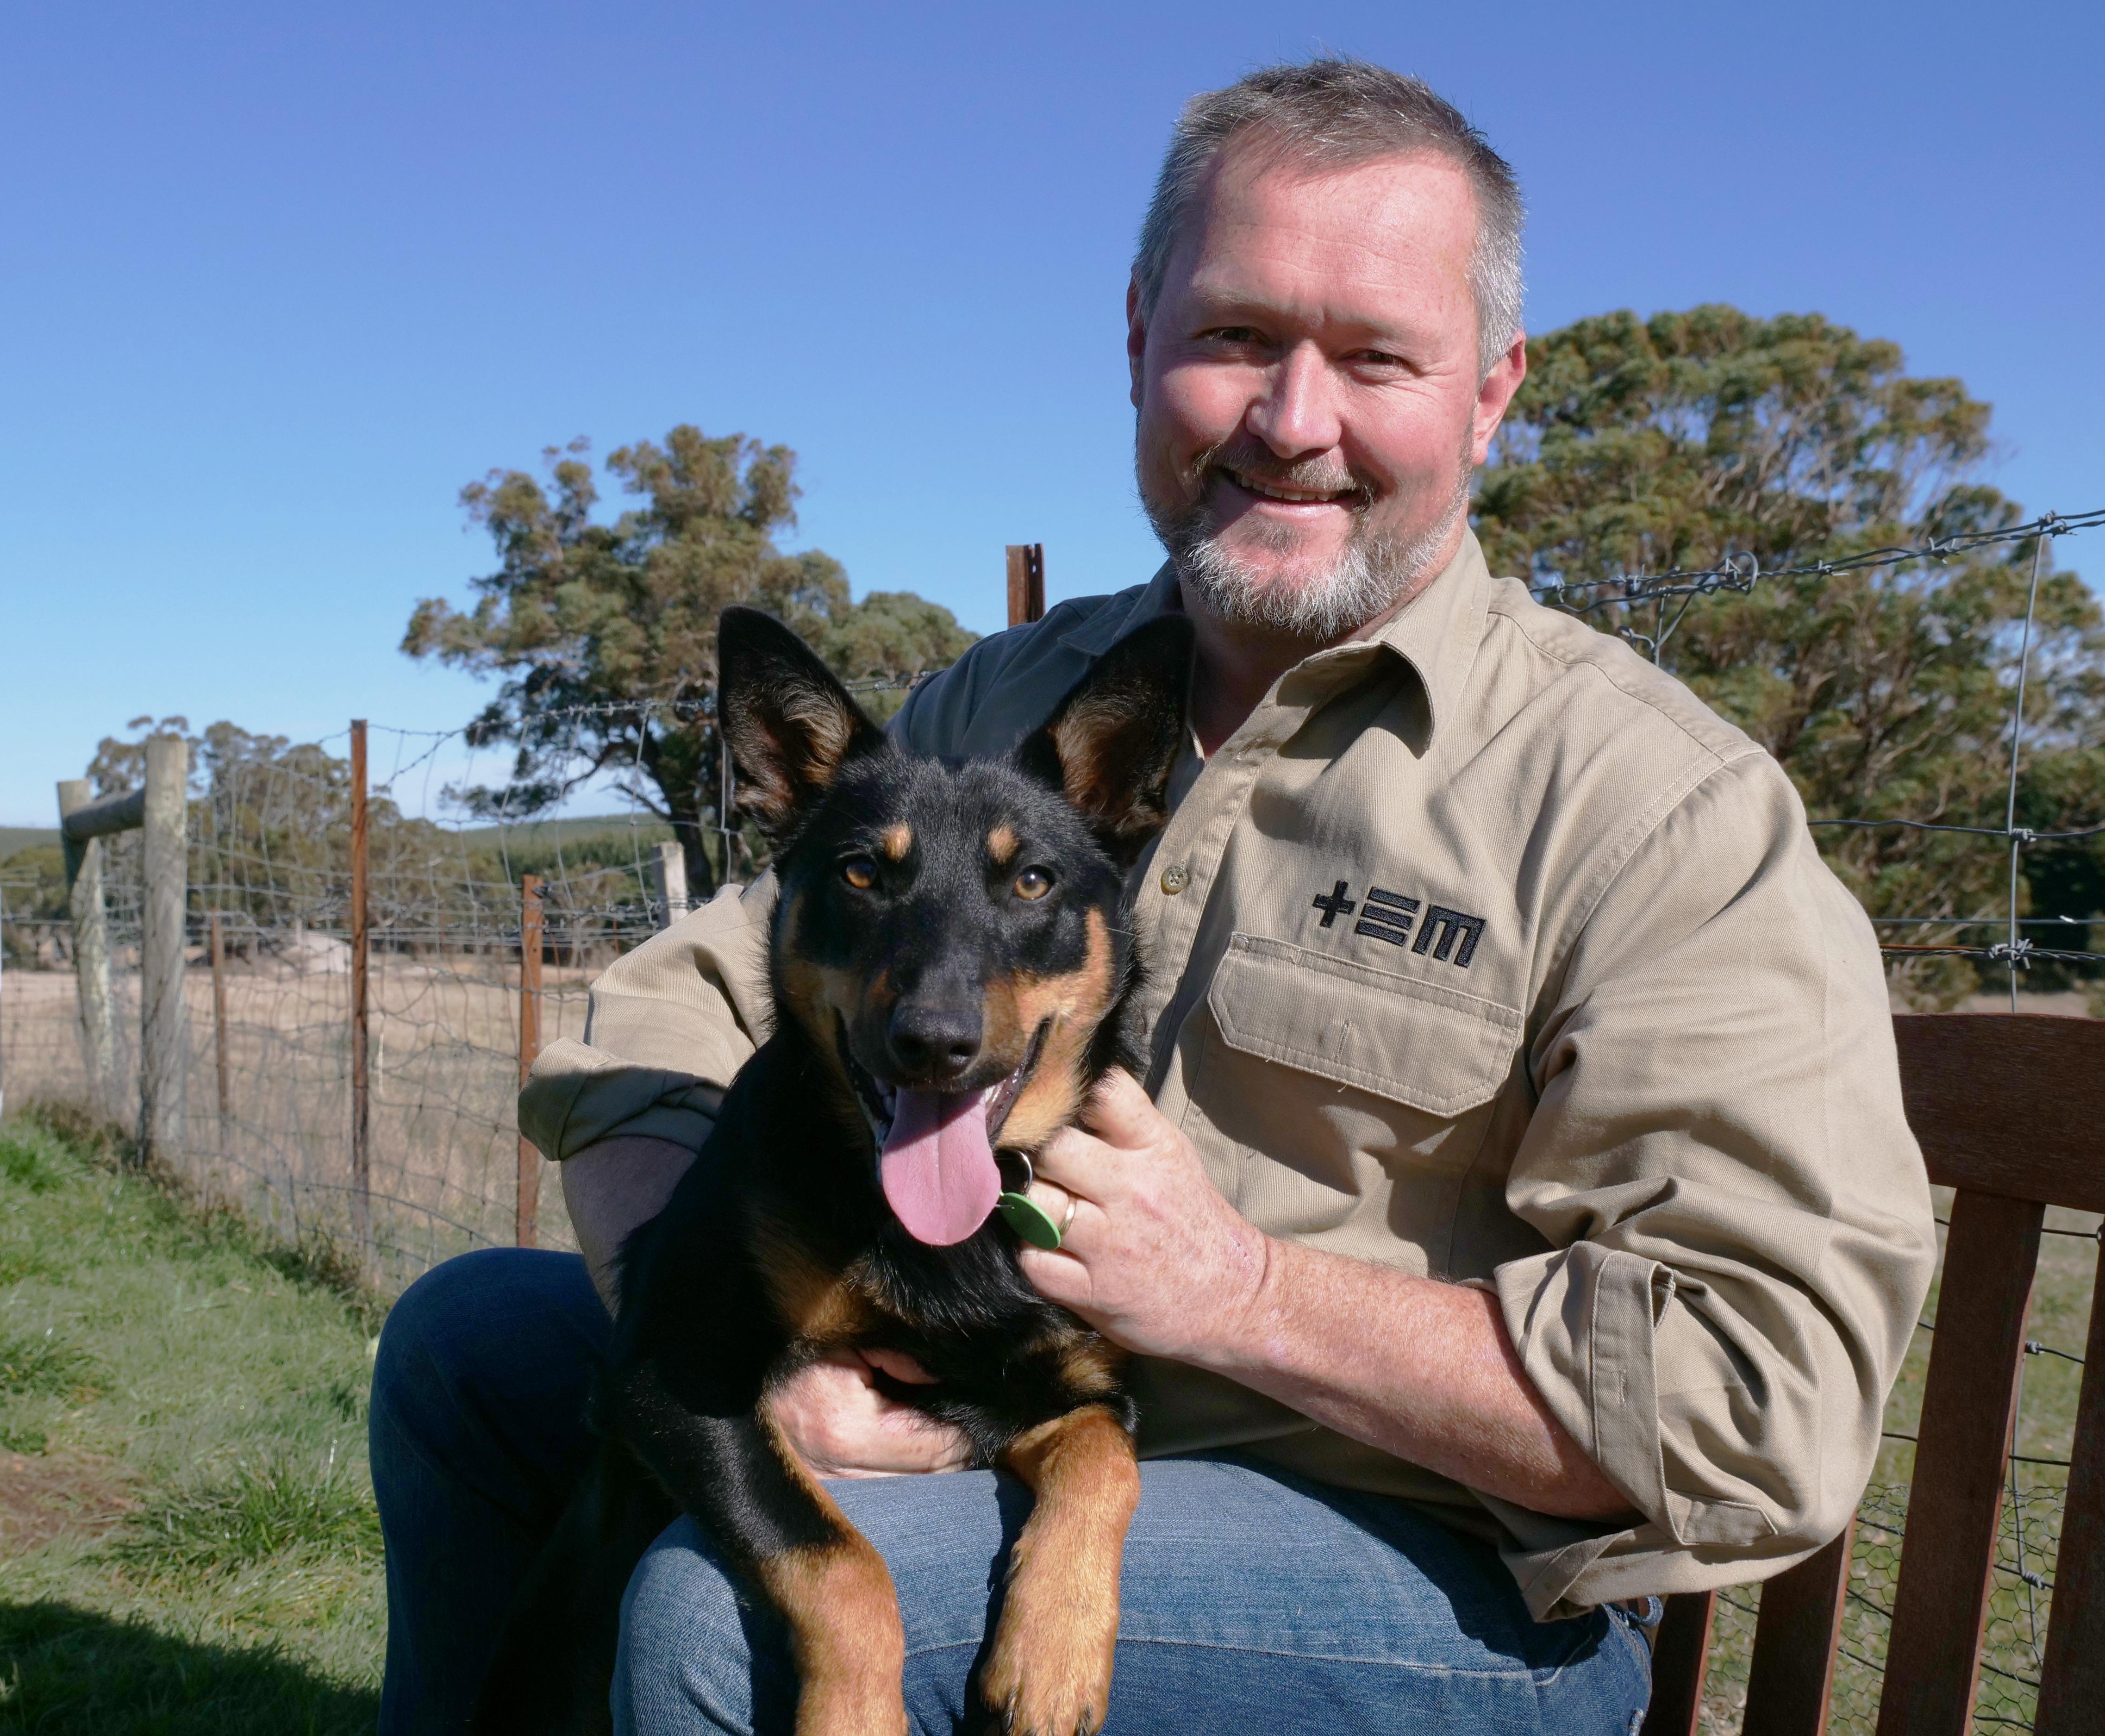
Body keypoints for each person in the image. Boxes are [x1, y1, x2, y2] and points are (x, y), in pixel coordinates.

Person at [370, 57, 1936, 1736]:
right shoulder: (1013, 707)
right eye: (1238, 337)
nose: (1292, 419)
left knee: (717, 1623)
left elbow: (1764, 1399)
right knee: (475, 1347)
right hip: (991, 1399)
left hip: (1410, 1557)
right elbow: (687, 1004)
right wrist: (711, 1304)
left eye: (1377, 357)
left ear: (1489, 394)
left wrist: (1253, 1303)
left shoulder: (1647, 808)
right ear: (1137, 342)